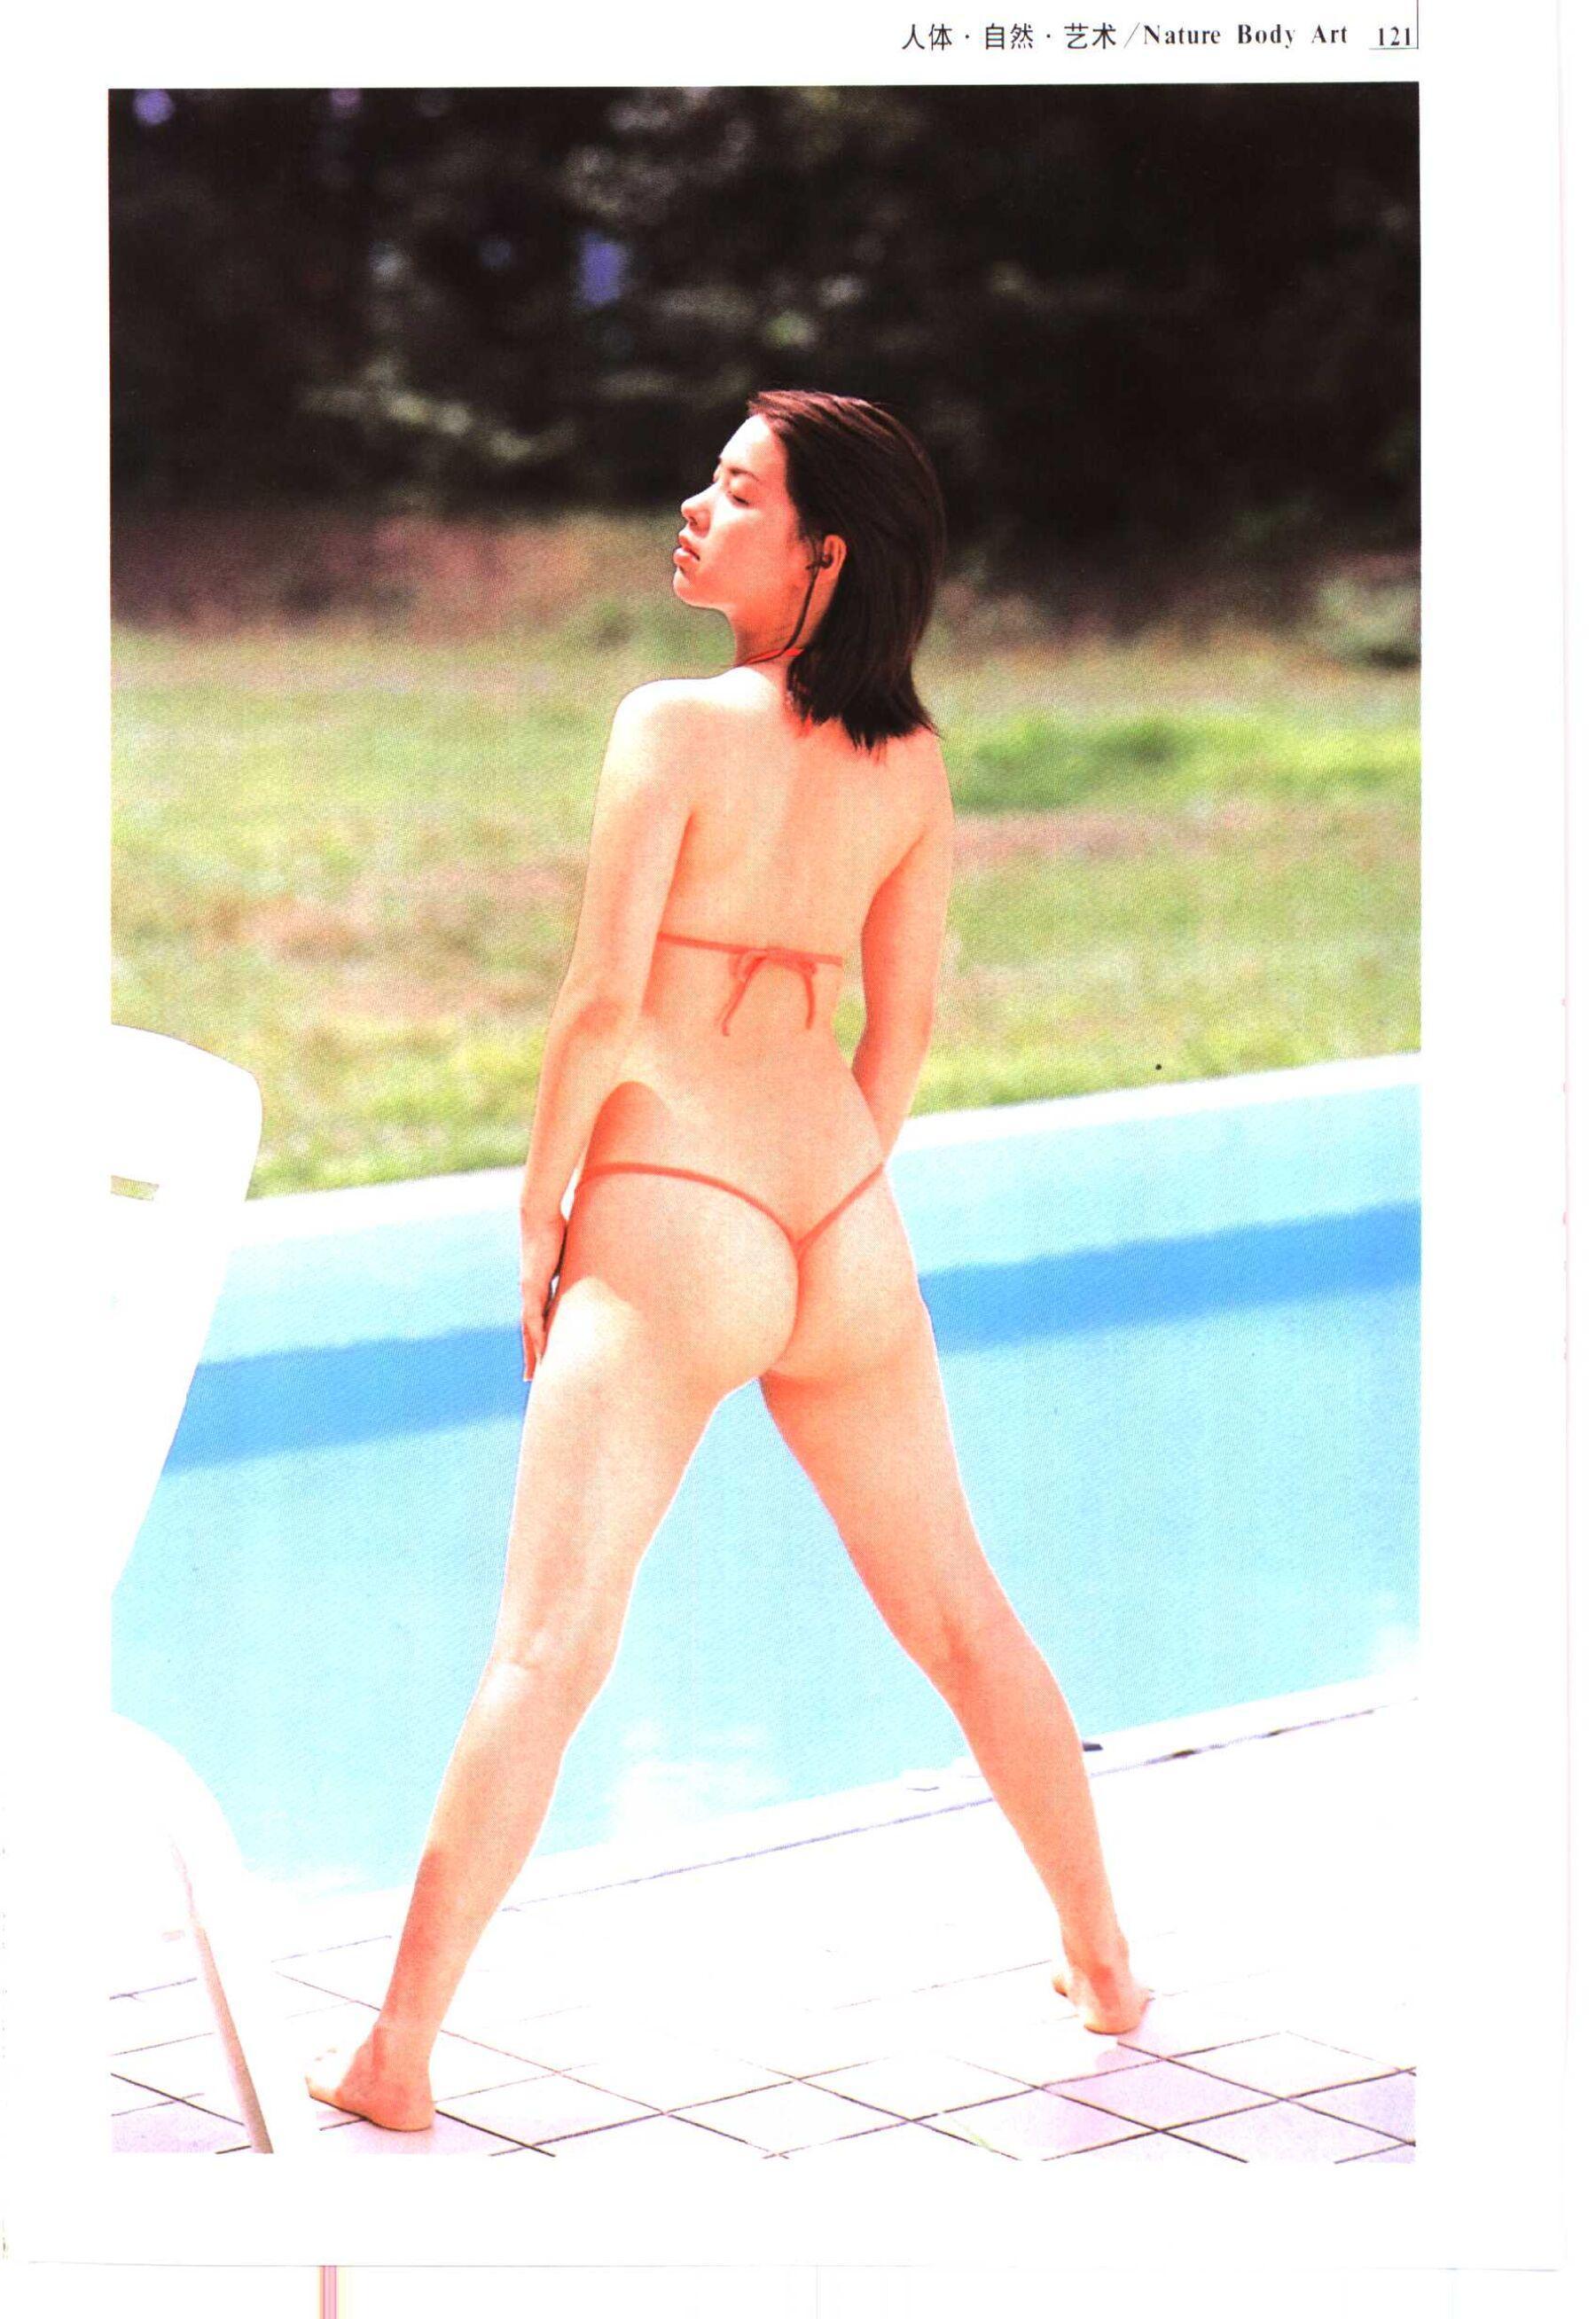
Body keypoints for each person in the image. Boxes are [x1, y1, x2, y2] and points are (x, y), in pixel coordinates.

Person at [307, 388, 1147, 2132]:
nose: (696, 506)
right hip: (837, 1209)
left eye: (739, 491)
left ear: (824, 554)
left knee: (545, 1650)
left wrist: (543, 1215)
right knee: (963, 1617)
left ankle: (395, 2053)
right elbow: (899, 1030)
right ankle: (1109, 1961)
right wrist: (822, 1195)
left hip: (671, 1196)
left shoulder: (671, 726)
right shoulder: (912, 762)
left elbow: (601, 1004)